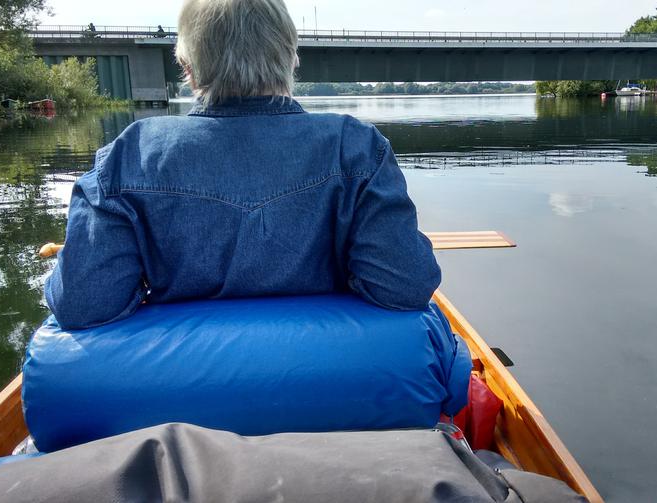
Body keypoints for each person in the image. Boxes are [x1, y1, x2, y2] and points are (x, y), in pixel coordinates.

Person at [45, 0, 441, 330]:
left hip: (183, 407)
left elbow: (84, 304)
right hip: (328, 394)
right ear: (291, 58)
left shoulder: (127, 156)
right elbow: (404, 286)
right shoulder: (356, 147)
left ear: (188, 67)